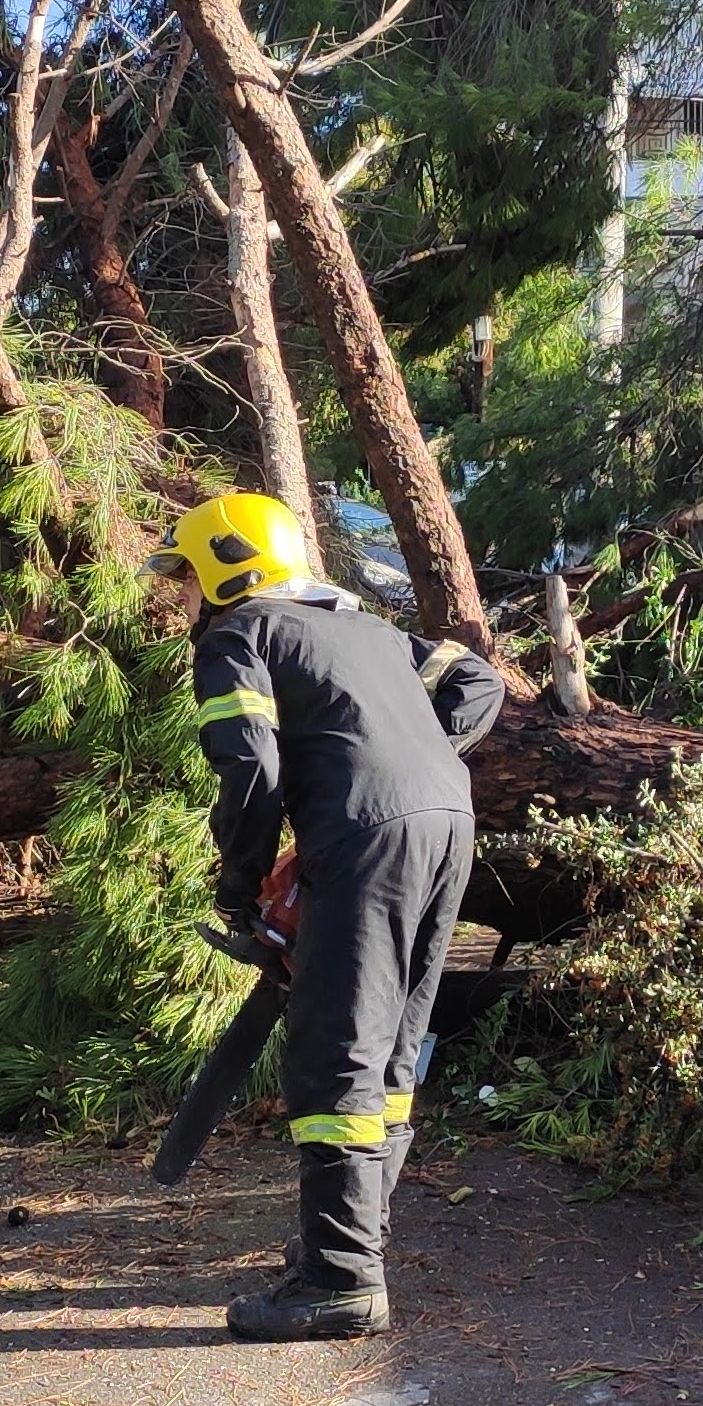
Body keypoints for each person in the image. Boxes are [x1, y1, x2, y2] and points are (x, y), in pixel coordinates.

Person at [158, 490, 502, 1342]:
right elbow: (480, 679)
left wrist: (239, 889)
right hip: (448, 822)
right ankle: (351, 1247)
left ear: (225, 568)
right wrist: (402, 756)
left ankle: (341, 1283)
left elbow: (249, 777)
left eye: (188, 578)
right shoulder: (373, 633)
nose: (184, 598)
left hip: (367, 842)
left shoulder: (241, 636)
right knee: (390, 1049)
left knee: (337, 1049)